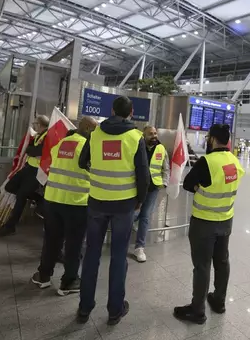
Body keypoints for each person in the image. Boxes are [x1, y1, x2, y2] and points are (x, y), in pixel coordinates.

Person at [76, 96, 149, 326]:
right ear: (132, 112)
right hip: (124, 205)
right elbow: (143, 175)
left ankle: (84, 308)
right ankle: (115, 310)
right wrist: (140, 200)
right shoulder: (135, 137)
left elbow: (82, 162)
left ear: (112, 110)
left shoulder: (95, 134)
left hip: (97, 202)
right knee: (118, 257)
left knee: (91, 255)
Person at [173, 124, 245, 324]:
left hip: (204, 222)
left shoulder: (207, 162)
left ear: (212, 139)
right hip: (226, 221)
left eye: (208, 138)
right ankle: (219, 301)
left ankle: (197, 310)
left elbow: (188, 183)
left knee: (202, 265)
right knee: (222, 262)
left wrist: (199, 187)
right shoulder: (234, 161)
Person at [30, 117, 97, 295]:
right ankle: (69, 281)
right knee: (74, 244)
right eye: (95, 129)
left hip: (52, 200)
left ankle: (43, 276)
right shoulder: (88, 147)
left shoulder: (60, 144)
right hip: (76, 202)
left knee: (51, 241)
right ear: (89, 128)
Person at [0, 115, 49, 237]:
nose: (34, 126)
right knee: (10, 187)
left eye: (35, 123)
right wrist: (31, 150)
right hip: (29, 168)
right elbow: (29, 150)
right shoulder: (39, 136)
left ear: (40, 124)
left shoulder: (47, 136)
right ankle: (39, 198)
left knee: (21, 196)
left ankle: (10, 226)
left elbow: (37, 151)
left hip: (37, 171)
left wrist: (32, 150)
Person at [133, 126, 169, 263]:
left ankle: (139, 247)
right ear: (144, 135)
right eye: (150, 134)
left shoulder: (161, 148)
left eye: (155, 133)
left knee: (145, 216)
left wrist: (164, 183)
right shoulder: (137, 147)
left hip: (153, 188)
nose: (154, 136)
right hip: (136, 188)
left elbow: (166, 168)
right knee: (133, 215)